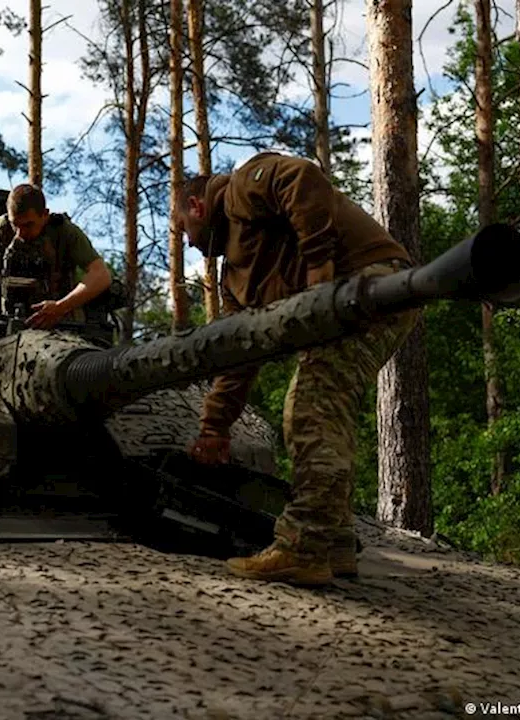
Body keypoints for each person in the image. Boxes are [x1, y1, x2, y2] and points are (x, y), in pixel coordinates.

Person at [174, 151, 417, 586]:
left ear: (197, 206)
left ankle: (302, 547)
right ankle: (334, 543)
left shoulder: (239, 191)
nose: (188, 242)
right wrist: (214, 427)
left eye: (183, 229)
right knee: (328, 411)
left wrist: (318, 265)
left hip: (371, 284)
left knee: (310, 408)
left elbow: (299, 176)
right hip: (353, 303)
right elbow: (238, 351)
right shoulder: (235, 278)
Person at [0, 184, 112, 329]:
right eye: (15, 225)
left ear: (45, 215)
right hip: (11, 323)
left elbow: (101, 275)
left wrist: (61, 307)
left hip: (61, 325)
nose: (19, 233)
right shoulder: (0, 230)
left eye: (28, 225)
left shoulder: (65, 232)